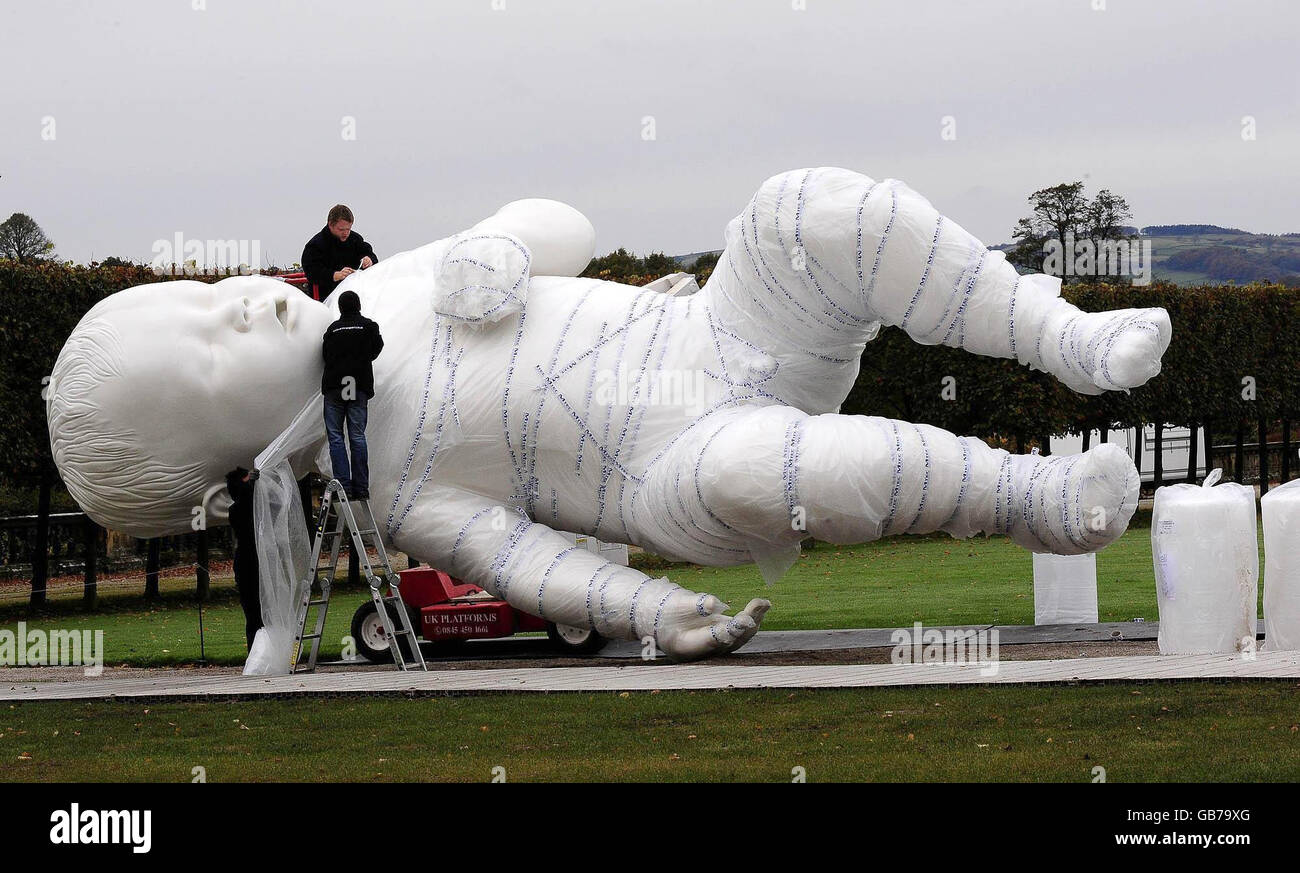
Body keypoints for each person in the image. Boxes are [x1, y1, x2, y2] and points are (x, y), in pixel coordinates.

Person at [321, 290, 383, 499]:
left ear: (340, 308)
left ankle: (343, 487)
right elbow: (377, 349)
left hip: (335, 387)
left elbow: (325, 355)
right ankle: (361, 487)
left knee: (336, 437)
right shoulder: (369, 326)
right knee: (357, 436)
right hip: (358, 386)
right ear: (358, 305)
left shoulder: (333, 329)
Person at [300, 205, 379, 300]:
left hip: (356, 295)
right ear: (330, 225)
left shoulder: (355, 239)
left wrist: (369, 260)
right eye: (341, 229)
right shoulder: (316, 245)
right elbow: (312, 272)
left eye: (348, 229)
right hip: (326, 297)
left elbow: (370, 254)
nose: (345, 233)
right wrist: (335, 275)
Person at [224, 466, 263, 649]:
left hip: (250, 561)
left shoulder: (245, 506)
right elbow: (246, 502)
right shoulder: (238, 509)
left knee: (258, 611)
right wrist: (252, 483)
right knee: (253, 611)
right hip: (249, 563)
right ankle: (256, 650)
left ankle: (259, 649)